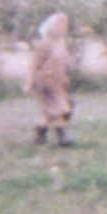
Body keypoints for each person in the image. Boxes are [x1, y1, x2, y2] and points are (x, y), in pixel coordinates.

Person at [24, 13, 75, 147]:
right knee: (60, 109)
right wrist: (29, 83)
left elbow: (63, 62)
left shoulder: (61, 43)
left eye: (64, 25)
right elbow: (34, 65)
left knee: (49, 112)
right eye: (59, 25)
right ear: (51, 27)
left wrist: (66, 77)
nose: (62, 28)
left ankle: (40, 137)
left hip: (58, 82)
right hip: (46, 82)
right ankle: (62, 138)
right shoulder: (44, 43)